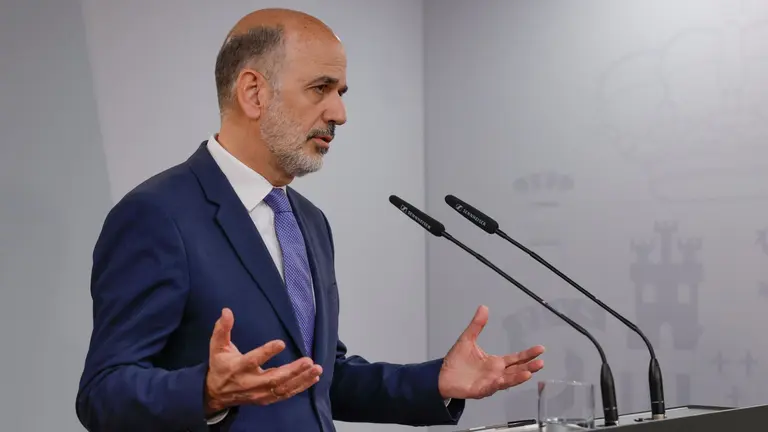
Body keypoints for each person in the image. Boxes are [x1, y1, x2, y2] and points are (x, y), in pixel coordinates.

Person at [75, 7, 545, 432]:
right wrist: (206, 392)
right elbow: (103, 394)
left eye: (340, 92)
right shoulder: (157, 215)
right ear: (254, 92)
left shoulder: (308, 221)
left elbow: (319, 377)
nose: (339, 112)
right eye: (321, 88)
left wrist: (436, 382)